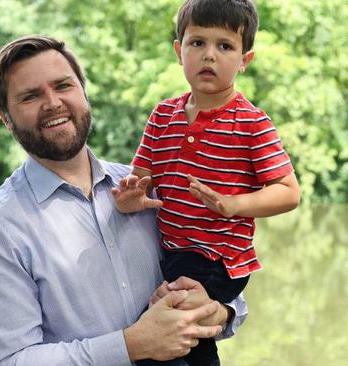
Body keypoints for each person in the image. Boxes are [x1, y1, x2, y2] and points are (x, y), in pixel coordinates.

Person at [0, 35, 248, 366]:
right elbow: (8, 361)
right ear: (5, 116)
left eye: (63, 86)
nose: (53, 103)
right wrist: (130, 345)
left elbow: (222, 268)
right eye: (30, 96)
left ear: (83, 92)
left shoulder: (149, 187)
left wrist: (218, 310)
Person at [112, 1, 300, 365]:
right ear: (178, 50)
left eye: (225, 46)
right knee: (188, 344)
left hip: (218, 258)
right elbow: (140, 182)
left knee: (159, 336)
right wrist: (128, 200)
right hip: (171, 254)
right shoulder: (162, 115)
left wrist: (234, 205)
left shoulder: (252, 123)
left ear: (245, 60)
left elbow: (289, 192)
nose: (209, 56)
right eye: (197, 43)